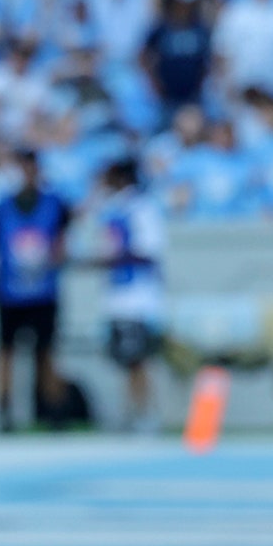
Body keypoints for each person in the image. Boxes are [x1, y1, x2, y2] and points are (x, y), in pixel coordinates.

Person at [0, 148, 71, 432]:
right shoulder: (3, 206)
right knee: (6, 352)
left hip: (43, 291)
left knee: (46, 352)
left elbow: (62, 239)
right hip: (10, 291)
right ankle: (4, 410)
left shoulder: (54, 204)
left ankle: (54, 411)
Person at [93, 158, 166, 433]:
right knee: (125, 360)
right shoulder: (113, 208)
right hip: (117, 296)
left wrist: (114, 258)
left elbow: (149, 250)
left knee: (138, 359)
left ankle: (146, 414)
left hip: (137, 297)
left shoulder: (143, 209)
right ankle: (132, 411)